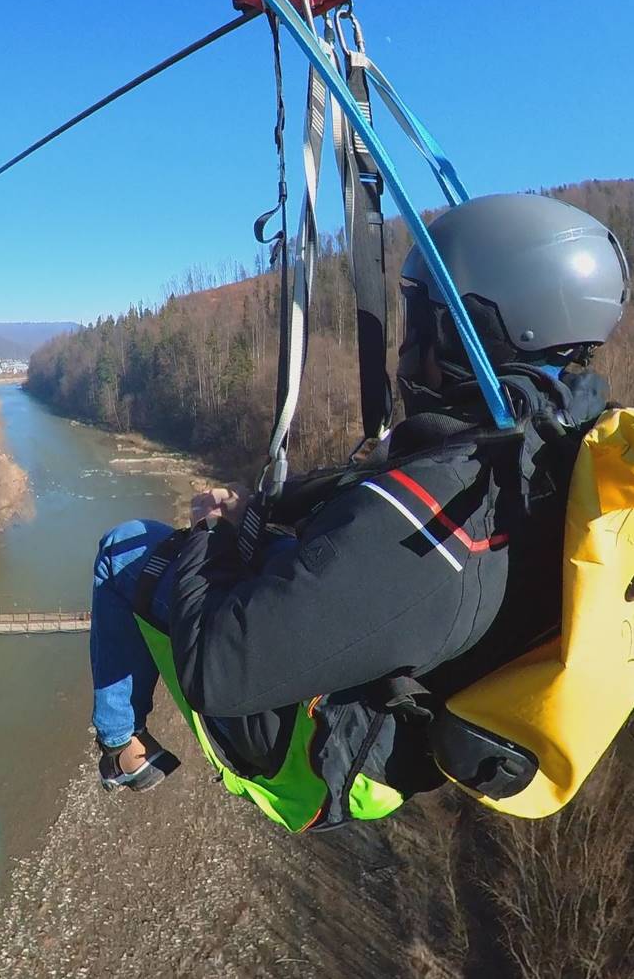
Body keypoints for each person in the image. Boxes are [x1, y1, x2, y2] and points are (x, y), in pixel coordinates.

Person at [89, 193, 629, 823]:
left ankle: (121, 747)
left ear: (465, 331)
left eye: (419, 319)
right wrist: (260, 516)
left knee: (124, 547)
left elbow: (217, 668)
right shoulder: (549, 450)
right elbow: (362, 526)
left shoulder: (435, 523)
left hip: (312, 756)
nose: (409, 340)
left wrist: (211, 533)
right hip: (380, 663)